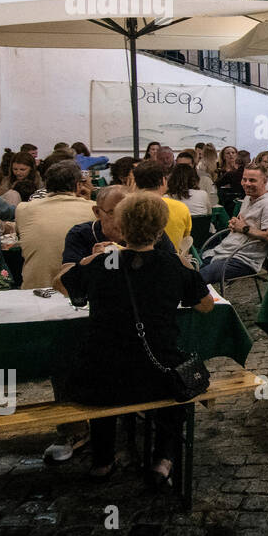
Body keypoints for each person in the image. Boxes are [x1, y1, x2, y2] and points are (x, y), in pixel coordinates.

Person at [60, 192, 214, 485]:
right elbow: (206, 306)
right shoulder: (175, 265)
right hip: (158, 376)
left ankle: (103, 460)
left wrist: (88, 260)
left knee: (106, 359)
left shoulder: (101, 263)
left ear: (121, 225)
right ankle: (163, 460)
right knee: (175, 371)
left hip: (100, 380)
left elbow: (64, 286)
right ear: (161, 228)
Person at [14, 160, 93, 290]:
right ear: (79, 185)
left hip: (35, 288)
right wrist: (88, 200)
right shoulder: (93, 208)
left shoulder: (23, 209)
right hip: (77, 289)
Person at [202, 164, 268, 284]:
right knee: (192, 268)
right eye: (244, 179)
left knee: (200, 277)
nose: (247, 183)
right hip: (229, 251)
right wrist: (235, 224)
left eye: (252, 180)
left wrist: (243, 228)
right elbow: (243, 224)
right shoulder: (248, 198)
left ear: (264, 181)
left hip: (244, 259)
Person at [130, 160, 193, 256]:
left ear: (135, 182)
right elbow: (185, 245)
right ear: (163, 180)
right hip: (171, 263)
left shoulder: (127, 208)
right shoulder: (181, 208)